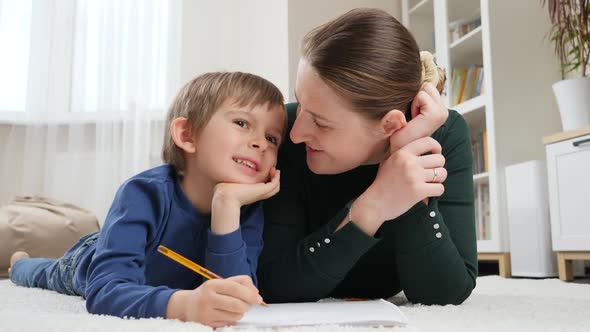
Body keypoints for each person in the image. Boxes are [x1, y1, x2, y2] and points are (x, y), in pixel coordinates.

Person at [9, 72, 287, 328]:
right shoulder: (143, 193)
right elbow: (105, 290)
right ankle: (20, 262)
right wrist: (185, 306)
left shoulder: (243, 208)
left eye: (272, 138)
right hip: (88, 261)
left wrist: (225, 206)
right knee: (47, 274)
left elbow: (232, 295)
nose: (261, 143)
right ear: (187, 135)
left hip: (154, 274)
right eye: (242, 123)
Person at [257, 8, 477, 305]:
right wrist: (372, 207)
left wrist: (407, 166)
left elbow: (446, 294)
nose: (296, 133)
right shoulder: (283, 130)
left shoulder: (445, 134)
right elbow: (275, 284)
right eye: (300, 101)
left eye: (321, 122)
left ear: (390, 125)